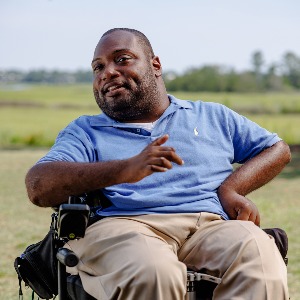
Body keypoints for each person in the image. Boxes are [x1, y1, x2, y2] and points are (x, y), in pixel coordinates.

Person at [25, 28, 291, 300]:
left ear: (155, 65)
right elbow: (38, 185)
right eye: (98, 67)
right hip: (124, 224)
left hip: (210, 225)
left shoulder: (211, 115)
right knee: (154, 272)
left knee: (258, 254)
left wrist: (231, 190)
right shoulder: (85, 131)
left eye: (122, 59)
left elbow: (277, 149)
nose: (108, 72)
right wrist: (125, 168)